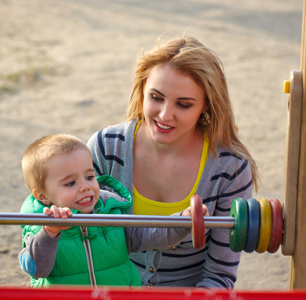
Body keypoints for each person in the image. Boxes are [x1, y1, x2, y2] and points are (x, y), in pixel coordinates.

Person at [87, 35, 260, 289]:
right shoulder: (106, 147)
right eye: (156, 97)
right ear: (142, 90)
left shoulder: (230, 170)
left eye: (184, 104)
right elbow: (83, 244)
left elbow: (219, 275)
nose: (165, 115)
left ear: (206, 106)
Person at [18, 133, 207, 287]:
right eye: (70, 183)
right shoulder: (40, 225)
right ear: (42, 196)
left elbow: (148, 235)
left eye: (90, 176)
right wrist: (49, 234)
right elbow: (36, 269)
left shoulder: (111, 213)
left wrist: (182, 221)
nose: (85, 187)